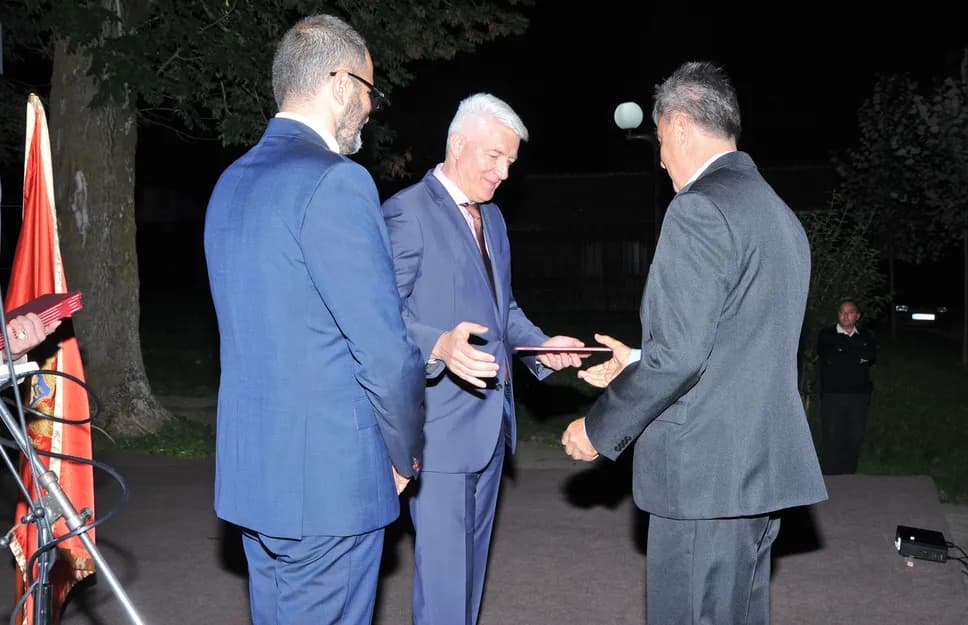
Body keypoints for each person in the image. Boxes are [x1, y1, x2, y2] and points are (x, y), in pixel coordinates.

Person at [561, 61, 828, 625]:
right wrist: (637, 360)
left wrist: (599, 428)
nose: (660, 160)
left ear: (680, 126)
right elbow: (735, 343)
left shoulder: (698, 209)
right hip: (754, 476)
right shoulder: (779, 215)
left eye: (660, 141)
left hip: (703, 479)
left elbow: (680, 357)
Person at [203, 14, 425, 625]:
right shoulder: (337, 182)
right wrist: (404, 452)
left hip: (257, 479)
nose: (371, 109)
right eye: (369, 91)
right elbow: (384, 351)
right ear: (339, 83)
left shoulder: (231, 183)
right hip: (329, 485)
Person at [381, 92, 587, 625]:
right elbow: (379, 317)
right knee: (445, 586)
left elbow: (502, 310)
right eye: (494, 156)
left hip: (491, 429)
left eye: (511, 162)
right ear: (457, 144)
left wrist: (540, 347)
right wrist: (438, 343)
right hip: (439, 432)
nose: (504, 173)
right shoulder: (407, 212)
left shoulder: (491, 218)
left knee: (469, 583)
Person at [817, 298, 877, 474]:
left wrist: (844, 350)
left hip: (859, 396)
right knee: (832, 436)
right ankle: (829, 478)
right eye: (842, 312)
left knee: (854, 437)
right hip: (832, 395)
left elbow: (870, 355)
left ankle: (849, 477)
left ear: (857, 316)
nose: (845, 316)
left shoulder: (867, 335)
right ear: (838, 314)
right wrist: (857, 355)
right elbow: (829, 357)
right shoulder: (826, 335)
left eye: (850, 312)